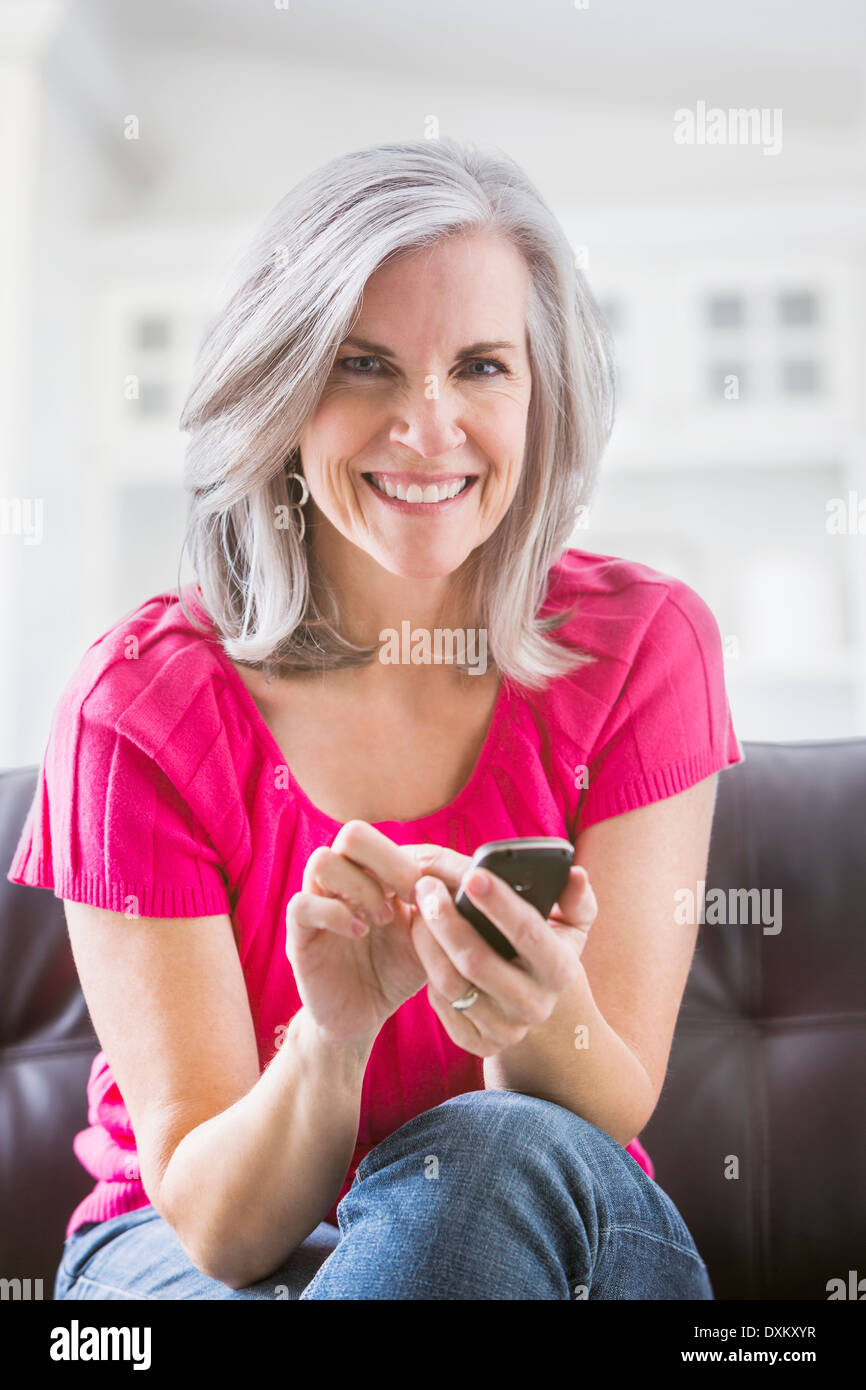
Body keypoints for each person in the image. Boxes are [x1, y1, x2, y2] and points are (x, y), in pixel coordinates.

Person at [7, 137, 744, 1300]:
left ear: (542, 395)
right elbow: (221, 1231)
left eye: (482, 367)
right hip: (198, 1255)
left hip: (545, 1224)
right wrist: (331, 1036)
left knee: (484, 1158)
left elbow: (609, 1104)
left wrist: (533, 1014)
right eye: (364, 366)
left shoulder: (643, 650)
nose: (426, 424)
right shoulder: (134, 712)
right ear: (281, 391)